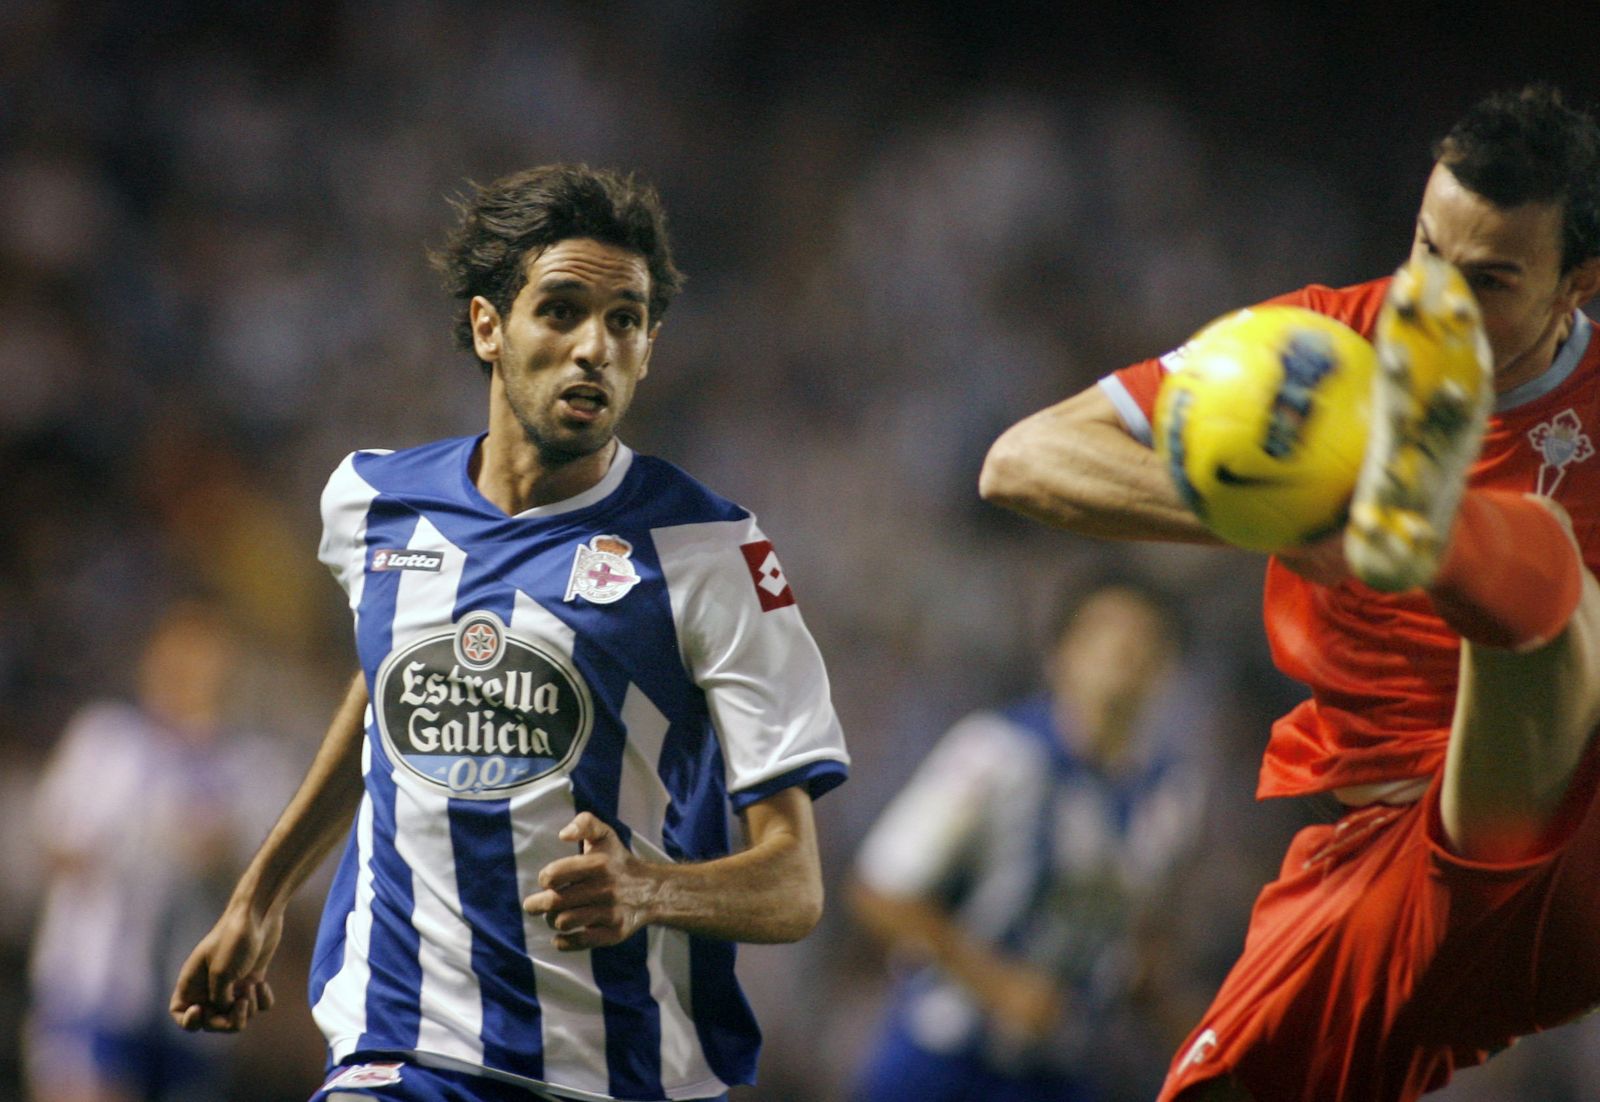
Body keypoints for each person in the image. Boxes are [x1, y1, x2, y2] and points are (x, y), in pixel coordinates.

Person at [169, 164, 851, 1102]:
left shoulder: (712, 553)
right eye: (562, 309)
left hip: (619, 1073)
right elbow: (391, 684)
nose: (593, 349)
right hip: (401, 1043)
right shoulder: (371, 502)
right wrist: (261, 895)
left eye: (625, 322)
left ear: (649, 350)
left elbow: (795, 886)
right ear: (489, 326)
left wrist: (647, 889)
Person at [978, 84, 1600, 1102]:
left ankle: (1437, 532)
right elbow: (1022, 459)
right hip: (1398, 867)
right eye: (1425, 254)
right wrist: (1280, 516)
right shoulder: (1314, 350)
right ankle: (1426, 529)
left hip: (1566, 825)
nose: (1434, 303)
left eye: (1486, 282)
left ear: (1576, 282)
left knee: (1560, 603)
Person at [846, 579, 1207, 1102]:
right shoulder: (996, 753)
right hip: (944, 1061)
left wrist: (1192, 1033)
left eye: (1149, 640)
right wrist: (997, 984)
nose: (1128, 654)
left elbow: (1140, 947)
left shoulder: (1173, 795)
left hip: (1059, 1069)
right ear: (1060, 656)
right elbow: (879, 889)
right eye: (1108, 634)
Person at [27, 599, 290, 1102]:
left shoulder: (250, 766)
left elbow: (278, 888)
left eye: (204, 658)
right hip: (92, 990)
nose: (188, 673)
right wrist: (125, 848)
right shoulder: (105, 739)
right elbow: (52, 844)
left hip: (194, 1003)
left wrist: (223, 856)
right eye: (177, 657)